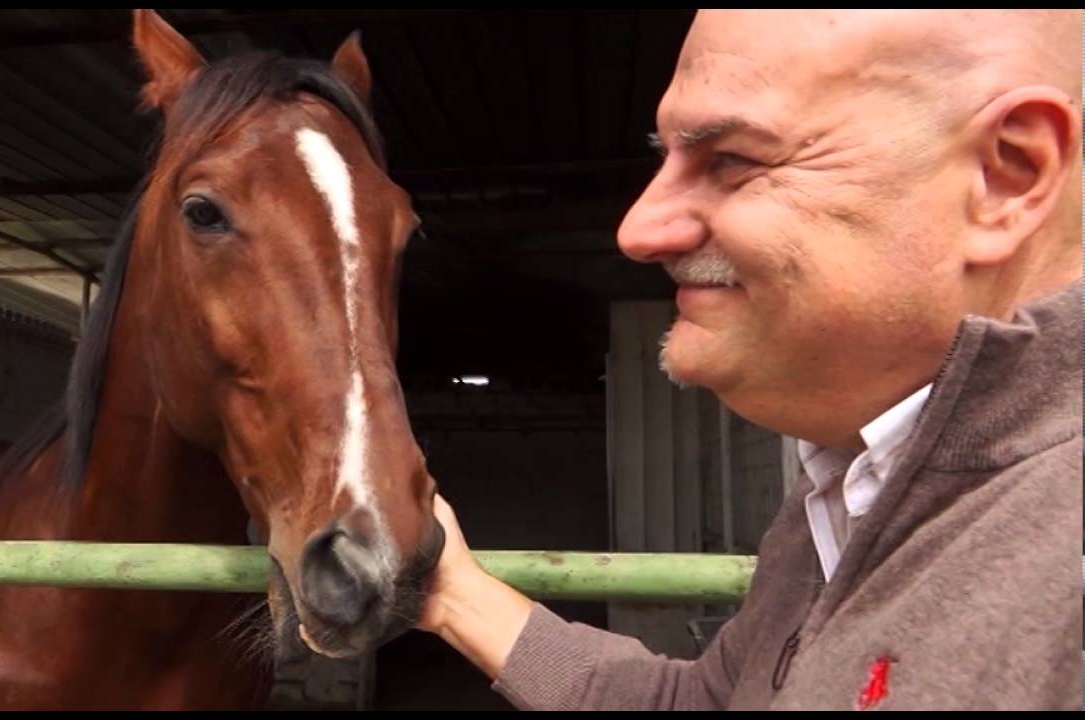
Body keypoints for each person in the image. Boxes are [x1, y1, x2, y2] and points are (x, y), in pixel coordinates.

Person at [413, 9, 1083, 711]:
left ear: (1006, 175)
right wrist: (455, 594)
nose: (638, 230)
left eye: (730, 160)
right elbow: (709, 701)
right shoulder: (843, 496)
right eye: (666, 157)